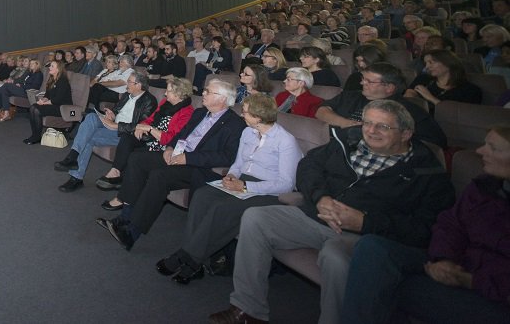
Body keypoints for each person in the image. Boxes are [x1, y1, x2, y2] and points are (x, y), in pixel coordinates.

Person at [207, 100, 455, 324]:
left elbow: (425, 229)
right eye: (368, 123)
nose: (371, 131)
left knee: (335, 256)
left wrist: (364, 222)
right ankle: (248, 311)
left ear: (406, 133)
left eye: (383, 126)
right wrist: (320, 197)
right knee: (255, 217)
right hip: (316, 215)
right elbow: (308, 166)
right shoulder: (347, 141)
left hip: (364, 237)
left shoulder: (427, 173)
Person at [340, 125, 510, 323]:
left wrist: (471, 281)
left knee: (382, 285)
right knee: (372, 249)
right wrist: (444, 258)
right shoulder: (485, 186)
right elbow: (451, 225)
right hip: (461, 264)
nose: (480, 151)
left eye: (494, 148)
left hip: (491, 293)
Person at [157, 94, 303, 285]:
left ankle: (187, 257)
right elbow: (238, 163)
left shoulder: (285, 141)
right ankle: (193, 258)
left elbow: (286, 183)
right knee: (202, 196)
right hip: (242, 182)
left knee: (222, 208)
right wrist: (232, 175)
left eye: (246, 112)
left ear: (258, 117)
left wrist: (246, 186)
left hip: (268, 191)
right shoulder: (248, 133)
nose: (241, 115)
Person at [97, 79, 246, 250]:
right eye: (204, 90)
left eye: (208, 92)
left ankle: (132, 232)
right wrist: (169, 148)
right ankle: (124, 218)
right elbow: (181, 135)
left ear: (222, 98)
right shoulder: (200, 113)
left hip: (196, 166)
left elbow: (227, 157)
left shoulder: (235, 124)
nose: (203, 94)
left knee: (159, 176)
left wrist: (188, 158)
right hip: (177, 155)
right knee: (137, 159)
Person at [56, 71, 156, 192]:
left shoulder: (149, 101)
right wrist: (112, 114)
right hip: (113, 125)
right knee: (91, 117)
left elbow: (141, 126)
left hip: (124, 134)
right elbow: (118, 110)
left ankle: (75, 177)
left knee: (88, 137)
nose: (127, 84)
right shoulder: (127, 95)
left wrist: (116, 125)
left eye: (129, 82)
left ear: (139, 85)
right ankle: (73, 155)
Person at [95, 78, 196, 194]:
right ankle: (115, 171)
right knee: (127, 137)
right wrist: (141, 126)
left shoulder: (187, 112)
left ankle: (124, 186)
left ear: (179, 94)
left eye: (168, 91)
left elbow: (171, 139)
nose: (165, 93)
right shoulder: (165, 103)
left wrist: (149, 129)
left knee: (135, 154)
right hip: (150, 136)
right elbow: (150, 119)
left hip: (163, 145)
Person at [315, 62, 447, 149]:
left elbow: (436, 143)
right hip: (330, 146)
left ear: (389, 87)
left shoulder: (407, 111)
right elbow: (321, 111)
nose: (362, 83)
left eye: (369, 81)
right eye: (363, 79)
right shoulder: (351, 96)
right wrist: (345, 123)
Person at [404, 48, 483, 110]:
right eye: (426, 63)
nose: (427, 67)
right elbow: (409, 94)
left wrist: (431, 98)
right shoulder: (423, 78)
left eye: (431, 62)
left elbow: (464, 116)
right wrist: (411, 96)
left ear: (447, 63)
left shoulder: (471, 90)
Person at [23, 60, 72, 145]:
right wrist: (43, 100)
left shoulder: (63, 81)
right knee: (33, 107)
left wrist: (44, 103)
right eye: (50, 66)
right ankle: (35, 135)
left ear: (58, 69)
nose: (49, 67)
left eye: (52, 66)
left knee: (36, 109)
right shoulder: (52, 79)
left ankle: (36, 137)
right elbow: (47, 95)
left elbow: (58, 99)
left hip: (62, 108)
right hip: (53, 104)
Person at [0, 57, 43, 121]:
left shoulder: (39, 74)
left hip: (28, 93)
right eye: (30, 63)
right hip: (23, 89)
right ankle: (6, 113)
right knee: (5, 91)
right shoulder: (31, 73)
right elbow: (24, 81)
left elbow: (34, 87)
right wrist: (20, 84)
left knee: (6, 85)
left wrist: (21, 85)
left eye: (33, 63)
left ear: (37, 65)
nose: (31, 65)